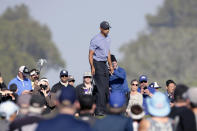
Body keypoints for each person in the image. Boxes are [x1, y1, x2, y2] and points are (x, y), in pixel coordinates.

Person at [89, 21, 114, 116]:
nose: (107, 30)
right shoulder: (95, 39)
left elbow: (108, 52)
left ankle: (104, 108)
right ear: (100, 28)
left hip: (104, 64)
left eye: (108, 28)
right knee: (100, 88)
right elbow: (90, 54)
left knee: (106, 88)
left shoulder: (108, 39)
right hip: (97, 63)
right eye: (105, 28)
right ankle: (99, 110)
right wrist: (92, 67)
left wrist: (110, 65)